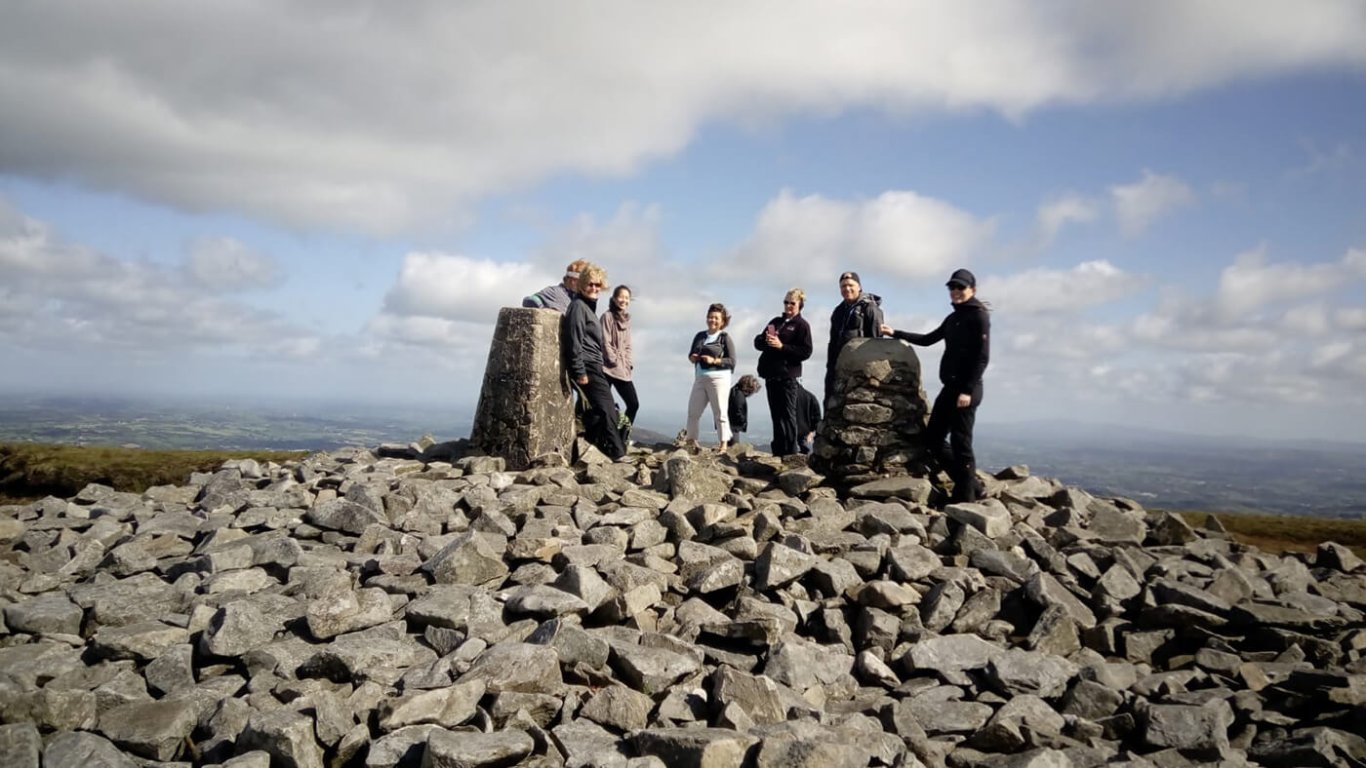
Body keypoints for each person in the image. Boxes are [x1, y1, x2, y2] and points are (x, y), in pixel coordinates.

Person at [880, 268, 990, 504]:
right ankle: (971, 483)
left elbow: (982, 357)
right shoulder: (953, 318)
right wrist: (896, 333)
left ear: (972, 289)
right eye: (952, 287)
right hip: (949, 388)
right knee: (933, 439)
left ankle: (966, 498)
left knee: (961, 443)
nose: (956, 291)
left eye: (961, 287)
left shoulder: (978, 316)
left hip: (966, 391)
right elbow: (929, 339)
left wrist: (967, 390)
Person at [562, 263, 626, 459]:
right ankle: (617, 453)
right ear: (581, 285)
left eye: (598, 285)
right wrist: (579, 371)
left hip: (594, 365)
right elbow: (574, 339)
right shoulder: (578, 307)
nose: (594, 288)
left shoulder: (588, 308)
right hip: (587, 366)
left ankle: (591, 445)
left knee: (602, 410)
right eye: (590, 284)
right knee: (607, 409)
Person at [754, 288, 814, 456]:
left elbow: (806, 351)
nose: (788, 305)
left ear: (800, 304)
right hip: (771, 375)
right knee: (776, 415)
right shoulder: (776, 321)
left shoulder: (802, 325)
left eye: (792, 303)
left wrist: (782, 347)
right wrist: (766, 340)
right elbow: (757, 342)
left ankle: (790, 453)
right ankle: (778, 452)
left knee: (788, 416)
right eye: (786, 302)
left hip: (788, 376)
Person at [684, 303, 737, 449]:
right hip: (700, 377)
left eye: (716, 318)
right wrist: (693, 358)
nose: (712, 320)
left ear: (722, 321)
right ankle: (691, 442)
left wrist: (715, 361)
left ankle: (723, 444)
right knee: (693, 411)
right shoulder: (700, 336)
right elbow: (691, 354)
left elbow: (732, 361)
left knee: (720, 412)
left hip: (719, 378)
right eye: (710, 317)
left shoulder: (724, 338)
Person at [826, 271, 884, 404]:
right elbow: (833, 342)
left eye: (850, 285)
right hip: (840, 369)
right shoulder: (838, 311)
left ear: (859, 286)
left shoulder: (870, 308)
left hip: (862, 370)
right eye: (843, 286)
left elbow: (877, 341)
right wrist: (830, 368)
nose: (847, 288)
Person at [600, 285, 638, 428]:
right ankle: (600, 437)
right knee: (603, 406)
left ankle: (622, 435)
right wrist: (613, 360)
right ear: (615, 299)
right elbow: (605, 341)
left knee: (633, 404)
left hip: (623, 369)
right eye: (621, 297)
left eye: (627, 298)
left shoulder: (626, 320)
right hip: (607, 368)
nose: (624, 300)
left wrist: (628, 363)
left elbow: (628, 345)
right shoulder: (607, 316)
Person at [524, 258, 589, 312]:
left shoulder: (576, 299)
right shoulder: (554, 292)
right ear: (570, 279)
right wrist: (543, 309)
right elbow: (530, 300)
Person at [727, 374, 763, 447]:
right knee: (733, 446)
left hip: (730, 425)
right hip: (733, 426)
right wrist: (742, 421)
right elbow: (737, 411)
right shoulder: (739, 395)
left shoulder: (734, 392)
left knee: (731, 445)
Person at [796, 384, 821, 454]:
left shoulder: (788, 397)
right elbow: (817, 418)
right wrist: (811, 432)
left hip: (791, 433)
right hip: (805, 435)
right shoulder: (811, 397)